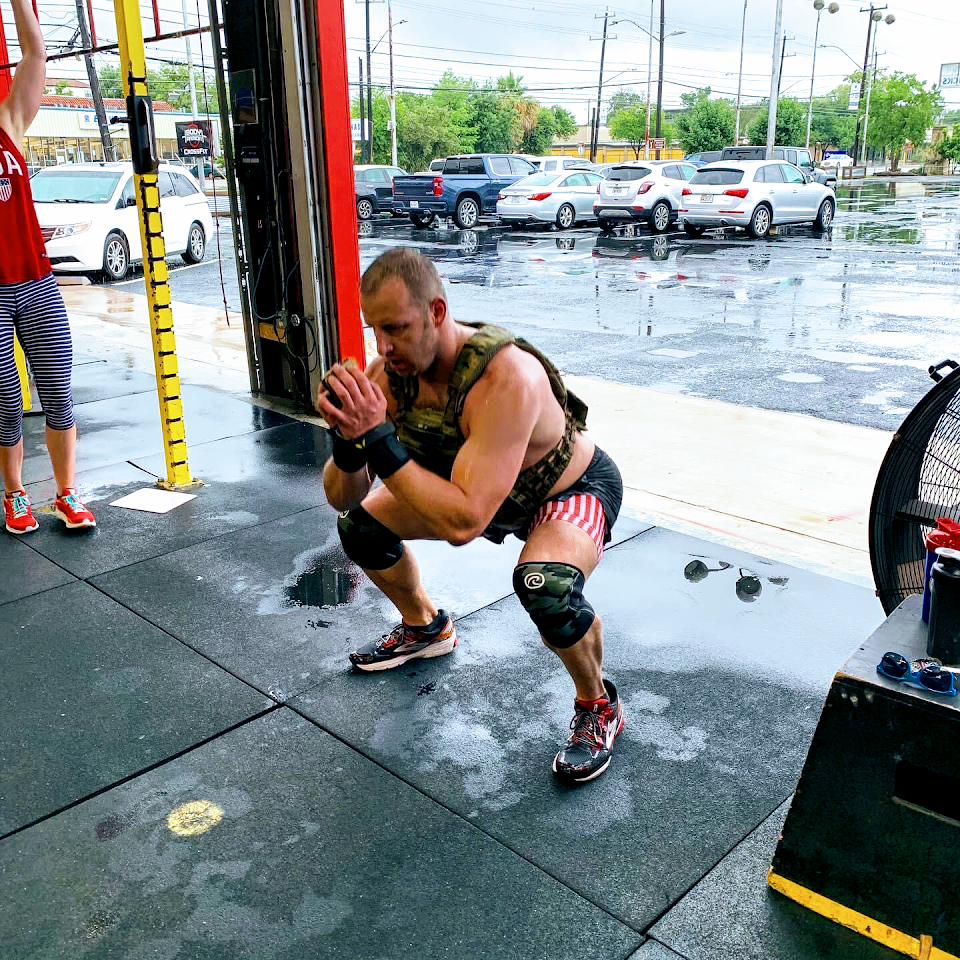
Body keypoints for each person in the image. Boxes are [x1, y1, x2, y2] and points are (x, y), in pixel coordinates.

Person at [317, 247, 624, 783]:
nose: (384, 347)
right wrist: (347, 442)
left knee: (544, 585)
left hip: (567, 491)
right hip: (481, 498)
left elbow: (464, 524)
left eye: (397, 328)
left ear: (437, 312)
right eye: (375, 331)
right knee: (360, 526)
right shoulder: (389, 377)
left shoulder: (506, 379)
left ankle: (597, 705)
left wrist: (378, 439)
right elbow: (342, 497)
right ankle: (425, 629)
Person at [0, 0, 95, 534]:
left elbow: (35, 54)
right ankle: (15, 495)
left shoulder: (8, 122)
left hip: (34, 281)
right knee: (5, 397)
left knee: (57, 391)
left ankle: (65, 493)